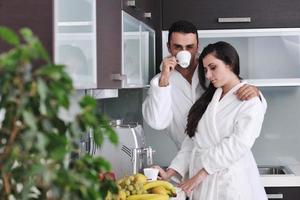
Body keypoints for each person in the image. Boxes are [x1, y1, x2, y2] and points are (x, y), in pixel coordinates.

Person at [155, 41, 267, 200]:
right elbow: (193, 141)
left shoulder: (250, 100)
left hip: (229, 182)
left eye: (213, 68)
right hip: (204, 183)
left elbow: (238, 144)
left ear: (230, 63)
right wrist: (170, 173)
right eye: (205, 70)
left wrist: (200, 175)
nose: (208, 75)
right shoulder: (210, 99)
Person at [142, 20, 265, 150]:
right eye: (177, 47)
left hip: (223, 152)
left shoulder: (212, 70)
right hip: (187, 158)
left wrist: (254, 93)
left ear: (197, 46)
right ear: (168, 47)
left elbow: (244, 100)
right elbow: (158, 122)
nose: (184, 52)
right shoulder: (160, 81)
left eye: (190, 47)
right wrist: (164, 79)